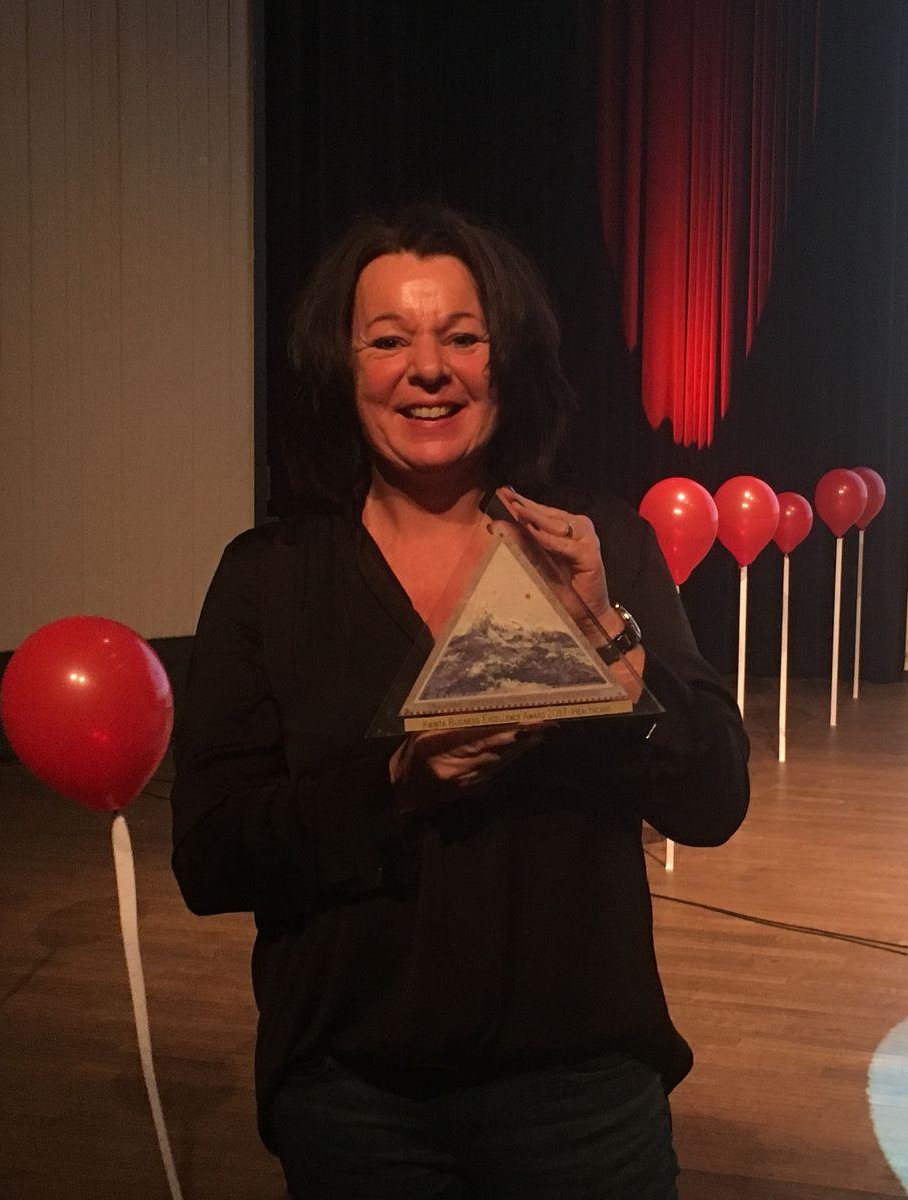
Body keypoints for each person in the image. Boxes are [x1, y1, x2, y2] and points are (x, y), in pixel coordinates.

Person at [169, 204, 748, 1199]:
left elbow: (714, 799)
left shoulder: (597, 544)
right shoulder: (271, 575)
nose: (428, 369)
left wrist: (609, 646)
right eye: (388, 340)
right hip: (356, 1097)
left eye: (463, 338)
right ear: (341, 368)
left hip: (582, 1092)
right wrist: (397, 781)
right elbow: (212, 855)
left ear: (506, 362)